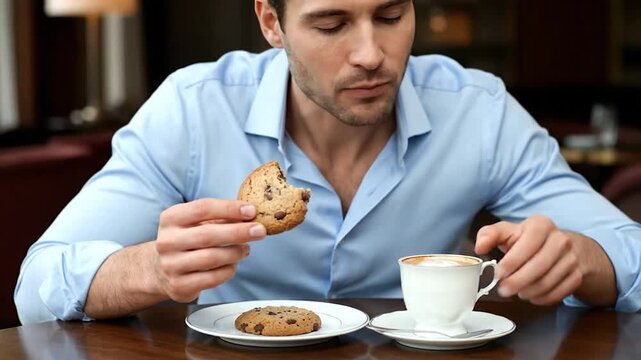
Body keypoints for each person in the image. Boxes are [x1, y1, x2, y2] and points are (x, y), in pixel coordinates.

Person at [15, 0, 641, 324]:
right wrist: (150, 268)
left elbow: (629, 252)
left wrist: (583, 261)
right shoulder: (193, 109)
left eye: (391, 16)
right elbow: (37, 288)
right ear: (272, 22)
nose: (371, 53)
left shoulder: (478, 111)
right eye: (332, 23)